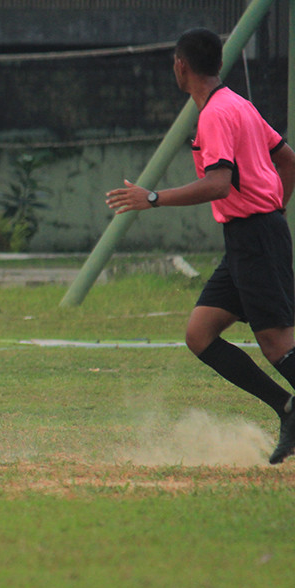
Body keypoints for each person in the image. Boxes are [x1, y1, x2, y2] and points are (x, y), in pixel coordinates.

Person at [105, 28, 295, 465]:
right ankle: (287, 408)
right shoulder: (239, 105)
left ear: (181, 66)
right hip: (250, 236)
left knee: (277, 344)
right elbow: (287, 160)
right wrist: (275, 211)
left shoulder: (215, 114)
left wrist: (153, 198)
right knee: (199, 333)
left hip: (256, 236)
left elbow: (218, 183)